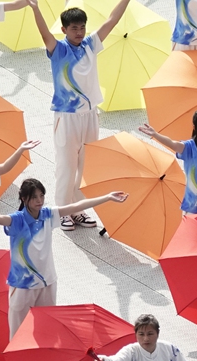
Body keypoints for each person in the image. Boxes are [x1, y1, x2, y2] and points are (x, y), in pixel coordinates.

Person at [0, 179, 128, 338]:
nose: (39, 200)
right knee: (18, 334)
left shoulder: (48, 215)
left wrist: (107, 197)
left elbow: (75, 206)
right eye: (34, 197)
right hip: (22, 285)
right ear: (24, 198)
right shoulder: (17, 219)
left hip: (47, 282)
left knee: (47, 330)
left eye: (41, 195)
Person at [29, 0, 131, 229]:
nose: (79, 32)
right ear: (64, 30)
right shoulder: (58, 49)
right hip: (66, 116)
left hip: (90, 115)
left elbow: (112, 20)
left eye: (82, 27)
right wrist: (35, 9)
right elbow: (44, 32)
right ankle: (63, 211)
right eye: (74, 28)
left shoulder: (90, 44)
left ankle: (79, 209)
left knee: (86, 165)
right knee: (67, 165)